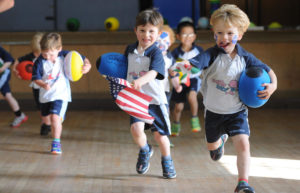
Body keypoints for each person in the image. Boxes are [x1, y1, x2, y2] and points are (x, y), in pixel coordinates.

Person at [188, 4, 277, 193]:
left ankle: (243, 183)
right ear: (213, 33)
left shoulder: (246, 58)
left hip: (237, 112)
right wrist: (183, 68)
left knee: (244, 144)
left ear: (240, 34)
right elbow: (195, 64)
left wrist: (273, 86)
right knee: (213, 152)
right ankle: (219, 142)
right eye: (219, 33)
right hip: (213, 113)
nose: (224, 38)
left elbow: (269, 71)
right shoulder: (211, 55)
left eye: (229, 33)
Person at [124, 9, 176, 178]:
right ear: (135, 31)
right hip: (137, 100)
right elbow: (122, 68)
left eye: (151, 31)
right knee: (136, 128)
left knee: (160, 135)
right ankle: (145, 150)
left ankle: (167, 160)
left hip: (155, 101)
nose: (146, 35)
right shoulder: (130, 49)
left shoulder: (156, 53)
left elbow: (154, 72)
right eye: (142, 30)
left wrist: (140, 81)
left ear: (158, 34)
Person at [32, 32, 91, 154]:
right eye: (44, 54)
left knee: (54, 117)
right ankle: (57, 122)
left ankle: (56, 143)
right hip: (45, 96)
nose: (48, 57)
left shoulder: (66, 55)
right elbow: (35, 79)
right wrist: (43, 84)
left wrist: (87, 66)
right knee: (47, 118)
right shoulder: (39, 62)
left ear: (59, 49)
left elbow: (85, 60)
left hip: (61, 94)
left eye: (51, 54)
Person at [13, 32, 51, 136]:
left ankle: (49, 122)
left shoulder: (50, 56)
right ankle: (45, 123)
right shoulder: (30, 56)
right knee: (39, 106)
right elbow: (18, 60)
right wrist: (15, 69)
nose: (36, 55)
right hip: (36, 86)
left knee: (49, 104)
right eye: (34, 52)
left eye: (38, 53)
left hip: (48, 85)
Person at [170, 21, 204, 136]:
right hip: (180, 81)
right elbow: (172, 68)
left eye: (191, 34)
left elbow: (204, 64)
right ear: (178, 36)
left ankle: (194, 118)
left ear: (194, 36)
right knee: (178, 106)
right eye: (184, 34)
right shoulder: (175, 53)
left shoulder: (199, 51)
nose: (188, 37)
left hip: (194, 78)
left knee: (192, 96)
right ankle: (175, 124)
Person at [0, 46, 28, 127]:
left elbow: (9, 60)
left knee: (7, 95)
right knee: (7, 95)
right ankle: (19, 115)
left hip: (3, 74)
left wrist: (1, 69)